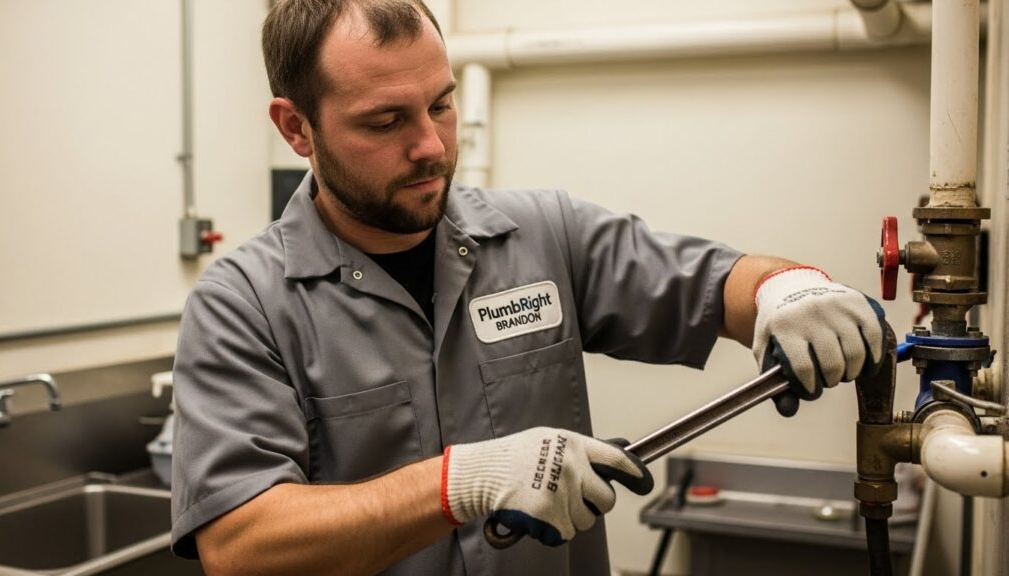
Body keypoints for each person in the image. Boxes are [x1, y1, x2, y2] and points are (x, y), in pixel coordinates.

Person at [169, 1, 886, 574]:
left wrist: (788, 289)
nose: (431, 146)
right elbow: (241, 545)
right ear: (297, 127)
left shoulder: (543, 234)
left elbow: (716, 281)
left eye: (441, 105)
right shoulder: (243, 304)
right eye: (385, 121)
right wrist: (460, 483)